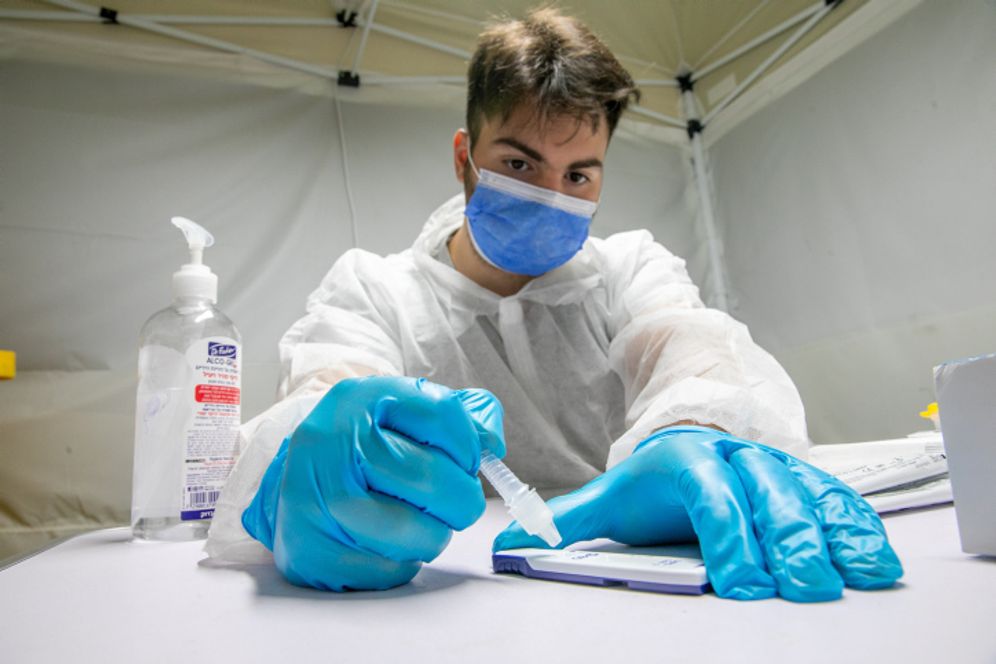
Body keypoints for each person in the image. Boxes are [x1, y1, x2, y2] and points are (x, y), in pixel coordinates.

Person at [207, 8, 902, 601]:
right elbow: (322, 396)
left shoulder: (629, 267)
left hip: (626, 584)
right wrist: (326, 460)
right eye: (518, 164)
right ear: (464, 157)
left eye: (578, 174)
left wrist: (688, 428)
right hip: (442, 604)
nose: (551, 194)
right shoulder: (373, 289)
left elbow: (693, 352)